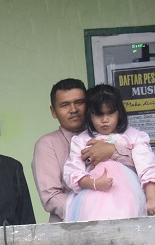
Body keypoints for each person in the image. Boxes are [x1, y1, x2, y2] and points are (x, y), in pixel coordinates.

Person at [31, 79, 131, 222]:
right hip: (71, 230)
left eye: (79, 102)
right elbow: (51, 196)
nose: (73, 110)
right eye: (65, 105)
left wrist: (112, 150)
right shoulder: (47, 144)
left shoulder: (116, 135)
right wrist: (92, 211)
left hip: (122, 219)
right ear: (53, 111)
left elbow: (141, 167)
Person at [62, 84, 155, 221]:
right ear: (89, 116)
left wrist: (151, 199)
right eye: (98, 114)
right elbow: (73, 172)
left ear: (119, 113)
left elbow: (147, 167)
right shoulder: (81, 140)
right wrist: (94, 183)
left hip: (128, 198)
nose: (105, 120)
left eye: (110, 113)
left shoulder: (134, 137)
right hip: (91, 199)